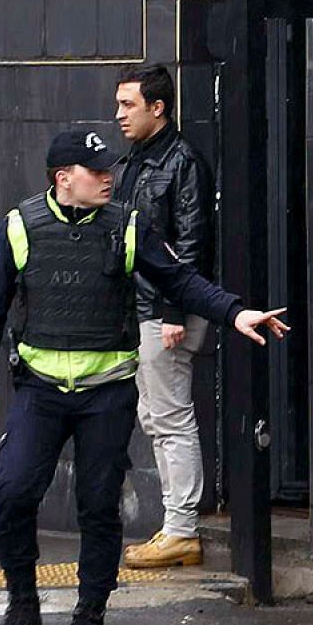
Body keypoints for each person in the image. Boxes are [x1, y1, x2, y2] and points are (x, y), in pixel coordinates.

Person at [0, 129, 288, 625]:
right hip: (40, 391)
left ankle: (90, 617)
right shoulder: (20, 226)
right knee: (14, 494)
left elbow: (181, 282)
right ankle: (21, 607)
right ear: (63, 178)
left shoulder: (130, 225)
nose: (108, 176)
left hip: (106, 395)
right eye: (95, 171)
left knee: (98, 506)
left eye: (108, 168)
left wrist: (235, 311)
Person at [111, 64, 215, 570]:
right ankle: (177, 525)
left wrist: (174, 308)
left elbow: (192, 241)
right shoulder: (138, 161)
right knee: (155, 416)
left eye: (128, 105)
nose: (119, 115)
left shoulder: (182, 162)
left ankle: (181, 529)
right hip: (146, 308)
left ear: (159, 107)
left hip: (165, 309)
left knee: (169, 417)